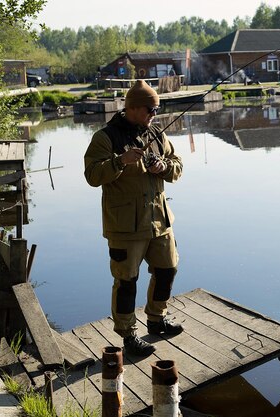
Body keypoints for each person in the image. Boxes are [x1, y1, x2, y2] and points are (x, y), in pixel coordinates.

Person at [84, 80, 184, 356]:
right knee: (127, 282)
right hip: (126, 227)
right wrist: (120, 161)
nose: (155, 114)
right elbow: (92, 176)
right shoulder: (105, 137)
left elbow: (178, 167)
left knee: (167, 271)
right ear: (133, 108)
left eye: (157, 109)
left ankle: (157, 318)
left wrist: (164, 167)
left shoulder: (156, 134)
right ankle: (128, 335)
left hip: (159, 222)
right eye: (151, 109)